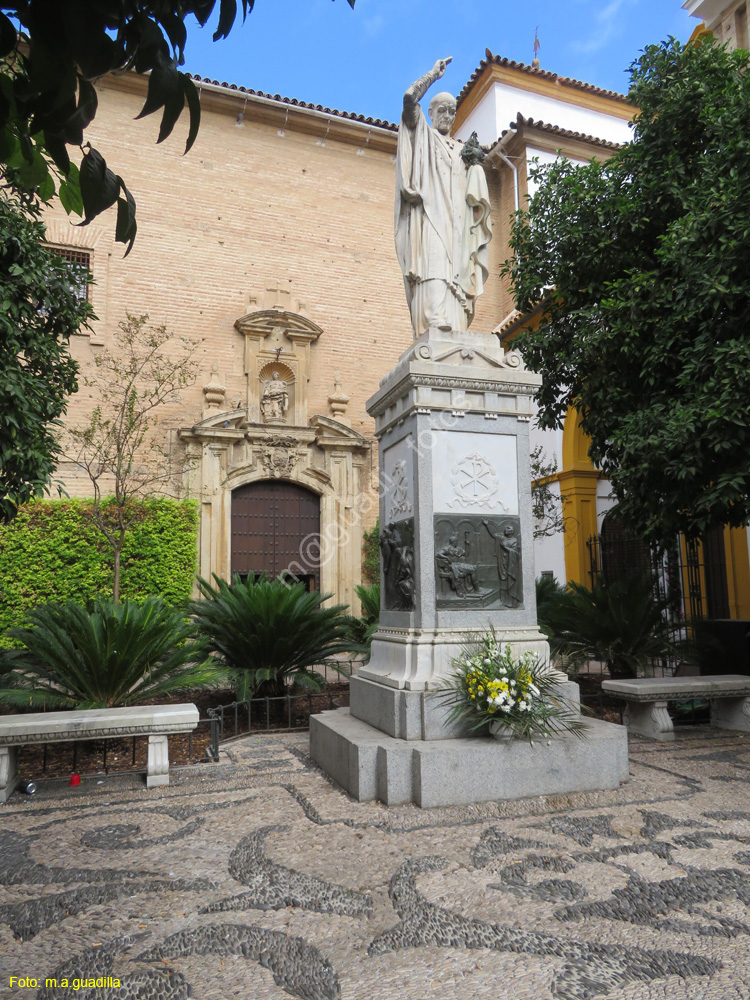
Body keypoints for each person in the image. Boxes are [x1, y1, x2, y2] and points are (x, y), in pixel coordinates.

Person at [395, 56, 492, 338]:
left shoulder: (459, 151)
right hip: (430, 217)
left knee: (459, 272)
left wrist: (475, 166)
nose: (447, 116)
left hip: (457, 224)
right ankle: (434, 320)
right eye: (442, 110)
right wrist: (432, 76)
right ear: (431, 112)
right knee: (433, 266)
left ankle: (456, 327)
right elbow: (409, 100)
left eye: (452, 111)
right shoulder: (423, 134)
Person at [482, 520, 522, 607]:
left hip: (511, 564)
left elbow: (515, 553)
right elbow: (493, 534)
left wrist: (505, 547)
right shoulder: (502, 538)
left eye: (508, 530)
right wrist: (487, 525)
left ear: (511, 532)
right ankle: (504, 601)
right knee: (503, 582)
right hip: (503, 562)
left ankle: (512, 602)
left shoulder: (515, 540)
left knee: (510, 581)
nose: (505, 531)